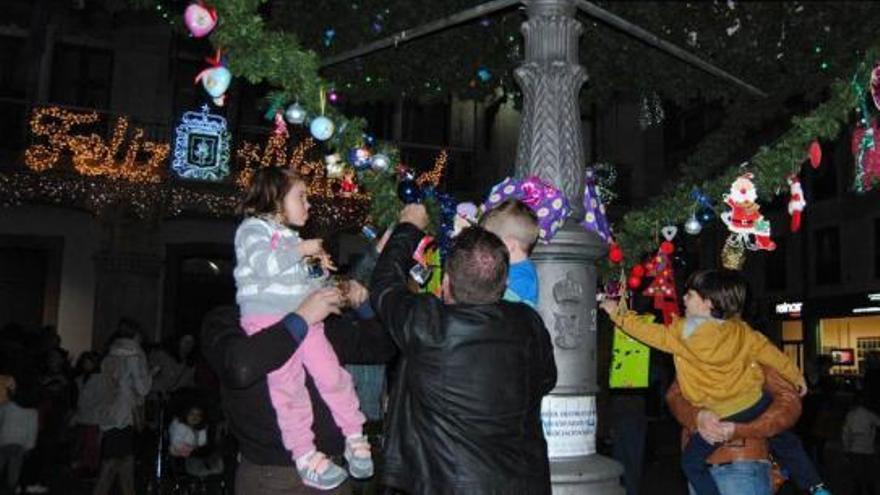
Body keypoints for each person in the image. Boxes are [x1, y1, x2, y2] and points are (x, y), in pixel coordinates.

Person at [370, 205, 557, 494]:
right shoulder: (528, 323)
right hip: (522, 483)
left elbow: (384, 285)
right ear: (503, 282)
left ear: (445, 283)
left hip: (448, 484)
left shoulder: (428, 325)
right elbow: (547, 380)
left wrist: (408, 227)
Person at [600, 269, 827, 495]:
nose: (684, 299)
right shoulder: (742, 332)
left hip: (723, 419)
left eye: (690, 295)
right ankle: (815, 486)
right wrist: (796, 376)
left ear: (707, 303)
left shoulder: (680, 335)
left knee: (690, 464)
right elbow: (773, 355)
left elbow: (646, 331)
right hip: (752, 403)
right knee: (786, 439)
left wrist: (617, 314)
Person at [234, 167, 371, 490]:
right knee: (289, 388)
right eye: (302, 197)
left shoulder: (291, 239)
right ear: (275, 199)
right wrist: (301, 250)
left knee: (332, 374)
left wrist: (323, 275)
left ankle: (354, 434)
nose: (309, 205)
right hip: (268, 320)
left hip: (304, 317)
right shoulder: (251, 230)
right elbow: (265, 264)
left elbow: (305, 282)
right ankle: (305, 455)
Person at [201, 280, 397, 495]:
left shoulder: (320, 320)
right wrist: (302, 318)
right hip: (276, 474)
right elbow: (240, 368)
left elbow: (381, 349)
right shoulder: (231, 317)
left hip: (333, 469)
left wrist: (363, 305)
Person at [667, 366, 803, 495]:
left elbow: (787, 403)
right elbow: (674, 396)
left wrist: (740, 429)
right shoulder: (694, 351)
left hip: (740, 464)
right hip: (708, 465)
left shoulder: (752, 349)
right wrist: (697, 416)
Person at [92, 319, 152, 495]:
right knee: (115, 467)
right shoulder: (135, 355)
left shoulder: (109, 354)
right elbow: (143, 388)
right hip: (125, 415)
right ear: (136, 335)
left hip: (108, 414)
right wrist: (152, 373)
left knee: (120, 464)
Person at [479, 198, 540, 307]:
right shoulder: (515, 270)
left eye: (491, 243)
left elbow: (493, 304)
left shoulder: (521, 277)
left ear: (510, 246)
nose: (486, 249)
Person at [0, 373, 38, 495]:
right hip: (19, 445)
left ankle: (9, 487)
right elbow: (32, 430)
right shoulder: (32, 411)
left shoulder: (7, 406)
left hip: (3, 441)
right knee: (14, 468)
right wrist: (29, 446)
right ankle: (11, 488)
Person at [168, 403, 224, 477]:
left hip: (194, 454)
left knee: (213, 454)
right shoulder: (181, 427)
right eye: (192, 414)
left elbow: (202, 443)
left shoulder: (198, 430)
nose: (195, 417)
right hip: (182, 457)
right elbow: (176, 442)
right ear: (186, 415)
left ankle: (212, 470)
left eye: (198, 415)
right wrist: (188, 449)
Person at [70, 352, 102, 476]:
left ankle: (91, 467)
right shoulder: (79, 379)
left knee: (91, 444)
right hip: (82, 415)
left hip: (94, 416)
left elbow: (100, 399)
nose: (86, 364)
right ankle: (84, 466)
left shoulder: (99, 379)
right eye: (85, 362)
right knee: (82, 443)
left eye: (89, 362)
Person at [841, 394, 880, 494]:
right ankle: (871, 491)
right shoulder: (870, 414)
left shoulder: (850, 415)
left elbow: (845, 433)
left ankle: (858, 491)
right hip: (868, 448)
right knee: (869, 473)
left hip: (854, 448)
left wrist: (846, 448)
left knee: (856, 474)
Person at [149, 333, 197, 398]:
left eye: (191, 342)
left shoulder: (190, 365)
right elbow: (149, 376)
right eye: (185, 341)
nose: (188, 345)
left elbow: (189, 385)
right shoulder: (163, 356)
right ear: (178, 341)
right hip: (155, 397)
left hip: (174, 401)